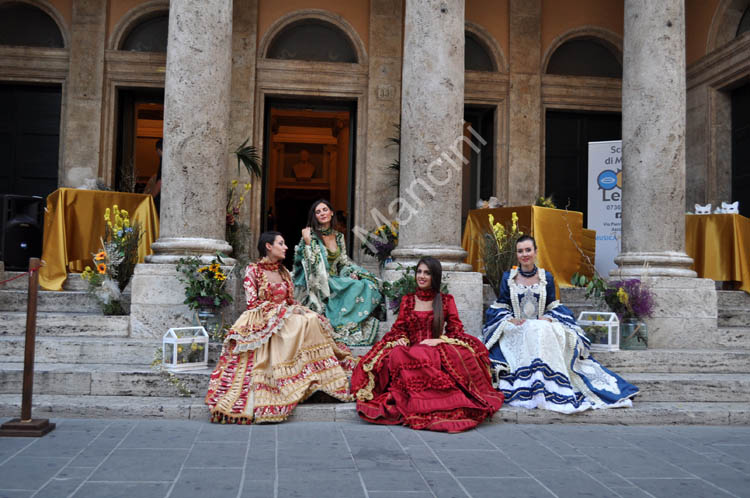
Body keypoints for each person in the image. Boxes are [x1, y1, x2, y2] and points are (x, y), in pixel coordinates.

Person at [205, 231, 355, 424]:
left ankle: (313, 375)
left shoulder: (283, 272)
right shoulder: (254, 270)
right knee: (302, 321)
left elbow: (290, 300)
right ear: (269, 246)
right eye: (281, 243)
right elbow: (252, 303)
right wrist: (282, 312)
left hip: (284, 315)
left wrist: (295, 309)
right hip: (262, 317)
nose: (286, 247)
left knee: (311, 318)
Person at [482, 234, 639, 413]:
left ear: (535, 252)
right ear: (516, 254)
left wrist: (548, 317)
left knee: (541, 328)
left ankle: (548, 381)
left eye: (528, 250)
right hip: (519, 328)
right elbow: (501, 304)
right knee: (530, 329)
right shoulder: (508, 278)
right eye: (520, 251)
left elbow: (553, 305)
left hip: (542, 327)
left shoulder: (546, 277)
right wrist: (510, 318)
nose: (524, 254)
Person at [351, 257, 504, 432]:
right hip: (412, 349)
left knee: (422, 354)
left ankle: (430, 402)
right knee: (397, 353)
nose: (422, 276)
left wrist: (438, 340)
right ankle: (417, 401)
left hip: (434, 349)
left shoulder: (446, 300)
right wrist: (401, 337)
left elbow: (456, 331)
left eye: (427, 273)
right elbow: (399, 328)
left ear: (434, 276)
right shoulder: (408, 300)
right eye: (419, 272)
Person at [293, 199, 383, 346]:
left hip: (337, 278)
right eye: (318, 212)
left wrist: (350, 272)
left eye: (324, 210)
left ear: (331, 212)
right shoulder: (310, 235)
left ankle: (352, 320)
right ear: (314, 216)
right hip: (320, 281)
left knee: (364, 284)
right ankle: (341, 324)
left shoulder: (339, 236)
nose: (322, 213)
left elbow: (343, 262)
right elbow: (310, 266)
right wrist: (308, 241)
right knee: (352, 286)